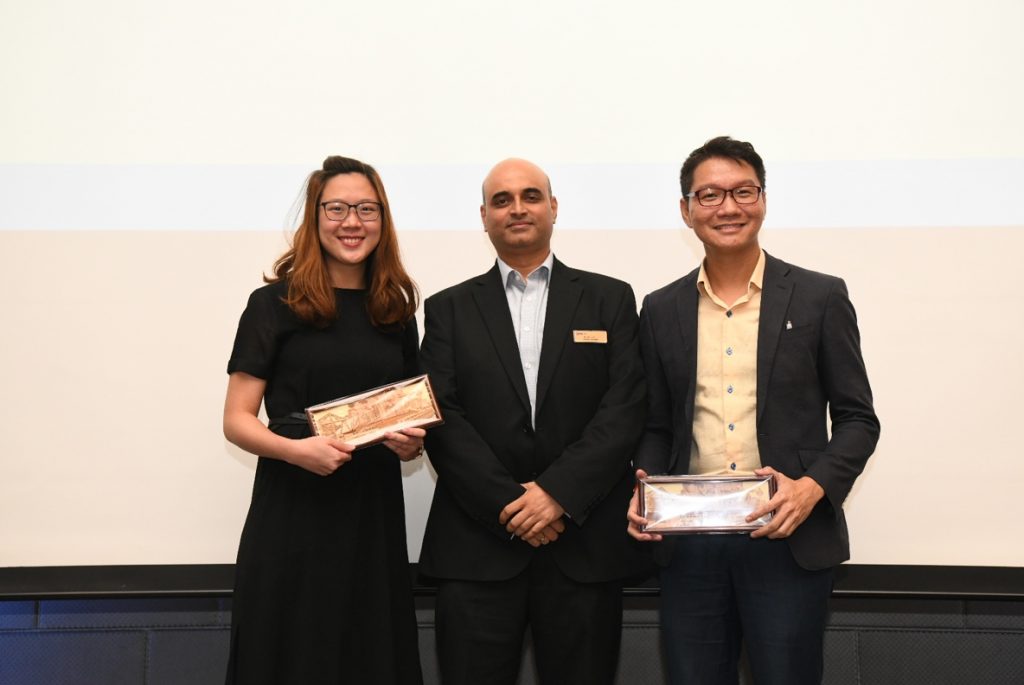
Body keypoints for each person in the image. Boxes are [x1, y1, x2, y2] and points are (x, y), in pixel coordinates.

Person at [627, 136, 880, 685]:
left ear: (763, 200)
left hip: (786, 537)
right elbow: (657, 425)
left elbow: (859, 420)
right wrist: (644, 489)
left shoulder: (818, 296)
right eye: (710, 195)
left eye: (743, 191)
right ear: (686, 210)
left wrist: (811, 489)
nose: (728, 207)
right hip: (689, 544)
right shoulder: (661, 308)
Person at [418, 158, 647, 685]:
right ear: (484, 217)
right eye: (501, 200)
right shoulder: (448, 308)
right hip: (477, 551)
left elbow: (624, 409)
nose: (517, 209)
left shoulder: (610, 298)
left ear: (553, 207)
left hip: (583, 549)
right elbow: (441, 416)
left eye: (530, 196)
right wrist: (512, 505)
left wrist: (556, 495)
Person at [223, 156, 424, 685]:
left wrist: (412, 445)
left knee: (369, 652)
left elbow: (409, 411)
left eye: (366, 209)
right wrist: (297, 452)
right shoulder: (273, 304)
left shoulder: (395, 310)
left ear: (382, 219)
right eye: (336, 209)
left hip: (371, 515)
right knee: (291, 654)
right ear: (315, 217)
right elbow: (237, 420)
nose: (351, 222)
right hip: (294, 509)